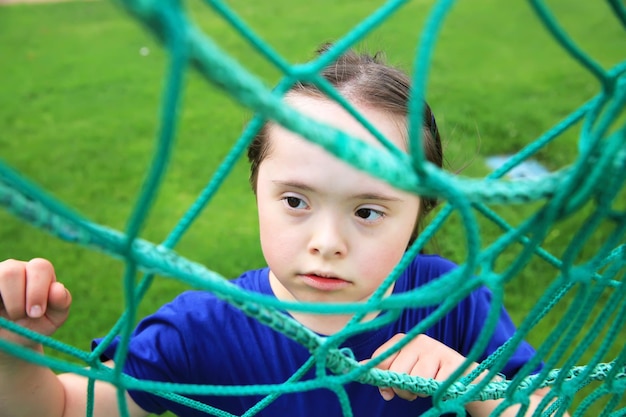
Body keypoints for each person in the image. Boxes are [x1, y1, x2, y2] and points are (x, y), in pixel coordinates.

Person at [0, 45, 559, 417]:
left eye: (368, 211)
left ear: (421, 211)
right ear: (256, 188)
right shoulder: (204, 327)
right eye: (296, 200)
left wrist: (472, 385)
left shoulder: (453, 300)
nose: (327, 241)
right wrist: (13, 353)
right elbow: (67, 406)